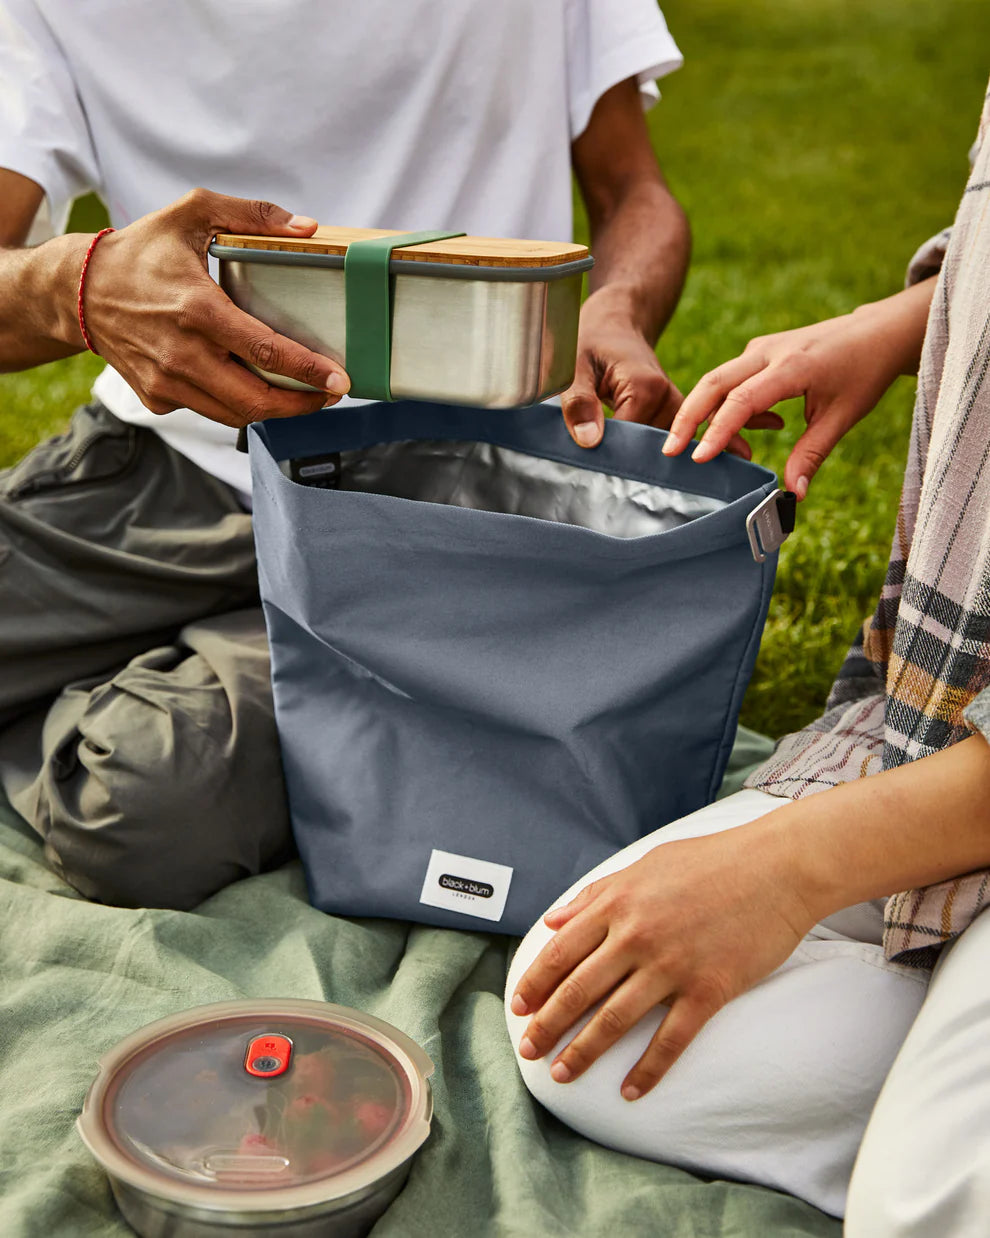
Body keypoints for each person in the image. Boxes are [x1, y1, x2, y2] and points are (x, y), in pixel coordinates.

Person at [0, 0, 689, 908]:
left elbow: (630, 191)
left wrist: (614, 306)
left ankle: (204, 682)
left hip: (437, 503)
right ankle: (225, 673)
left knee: (137, 808)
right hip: (161, 470)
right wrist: (77, 285)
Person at [506, 80, 990, 1236]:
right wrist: (915, 320)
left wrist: (787, 867)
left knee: (918, 1207)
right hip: (949, 734)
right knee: (577, 1017)